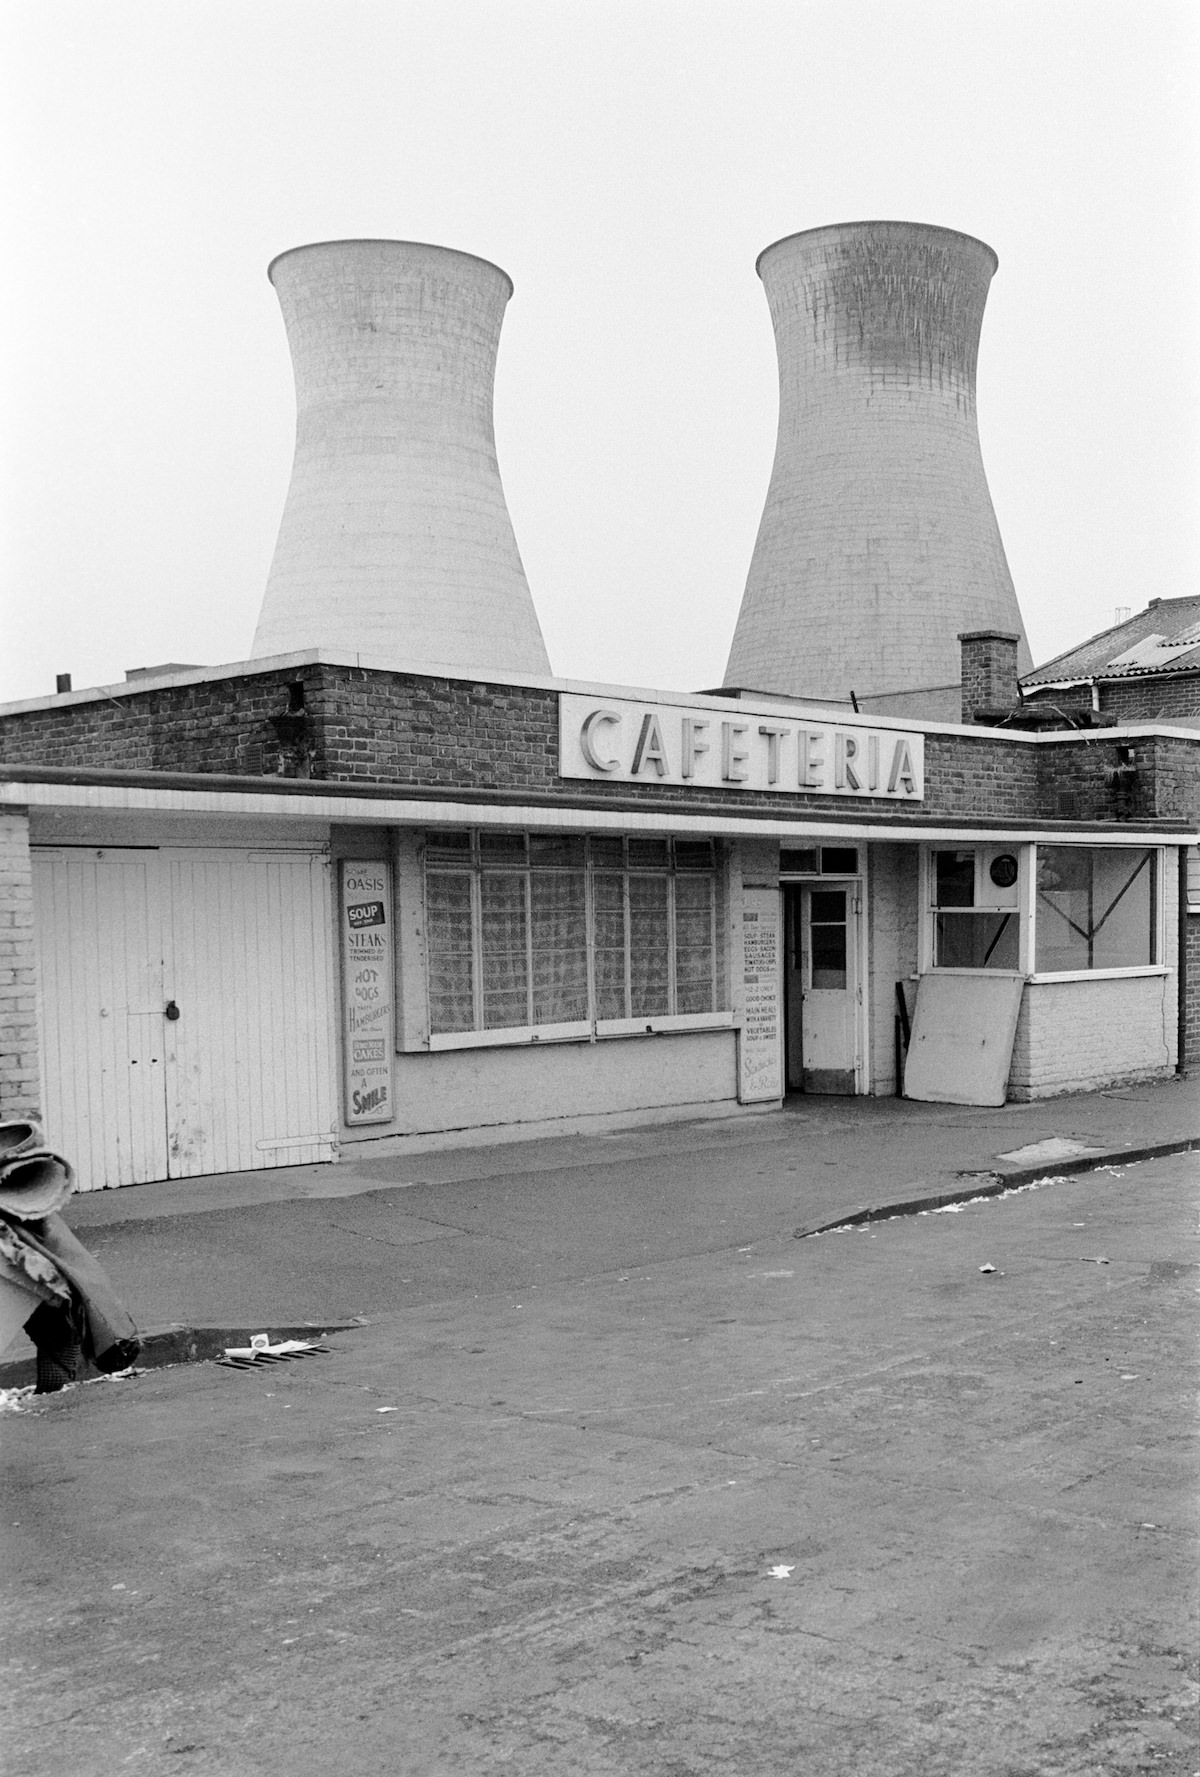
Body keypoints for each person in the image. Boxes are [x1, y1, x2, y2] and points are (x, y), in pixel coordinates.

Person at [0, 1121, 140, 1393]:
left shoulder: (30, 1211)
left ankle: (52, 1394)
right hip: (21, 1252)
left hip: (22, 1247)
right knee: (55, 1327)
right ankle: (53, 1393)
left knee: (55, 1327)